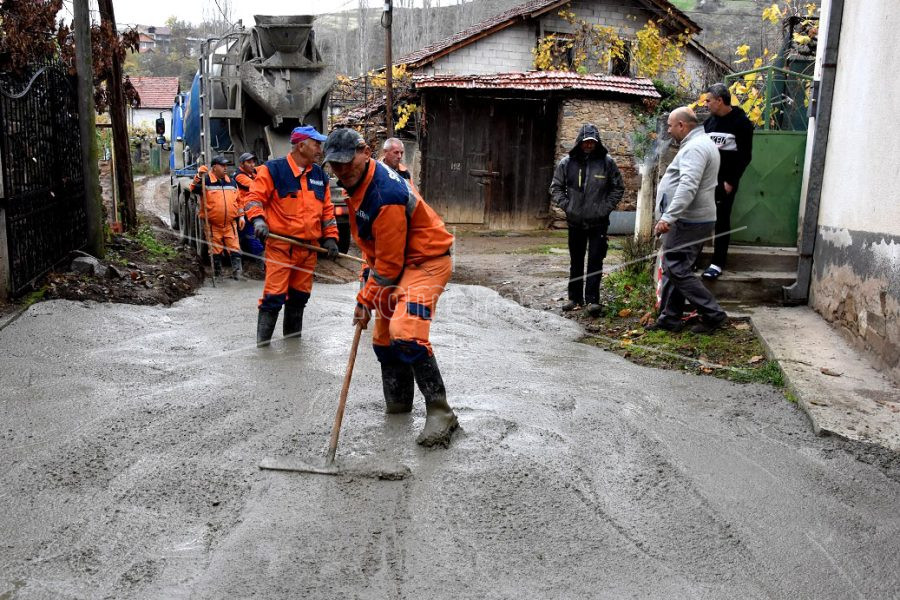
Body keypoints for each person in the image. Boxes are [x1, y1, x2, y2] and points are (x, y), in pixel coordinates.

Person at [323, 128, 458, 448]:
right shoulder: (357, 184)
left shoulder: (385, 194)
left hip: (425, 262)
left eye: (346, 163)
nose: (341, 170)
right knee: (384, 339)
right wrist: (365, 284)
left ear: (365, 152)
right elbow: (375, 250)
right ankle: (399, 405)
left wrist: (365, 299)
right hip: (394, 262)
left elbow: (389, 266)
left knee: (406, 331)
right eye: (335, 165)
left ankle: (441, 412)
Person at [243, 125, 340, 347]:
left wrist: (331, 238)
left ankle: (292, 348)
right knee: (274, 297)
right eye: (316, 143)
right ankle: (263, 348)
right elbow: (253, 198)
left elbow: (327, 211)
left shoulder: (319, 176)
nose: (319, 148)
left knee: (299, 298)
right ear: (301, 145)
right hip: (281, 247)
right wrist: (258, 220)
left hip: (308, 251)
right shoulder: (273, 170)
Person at [650, 107, 727, 334]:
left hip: (688, 220)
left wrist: (668, 217)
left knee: (676, 269)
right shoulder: (700, 144)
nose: (668, 129)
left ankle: (713, 314)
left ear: (682, 125)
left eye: (670, 126)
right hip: (693, 219)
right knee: (676, 268)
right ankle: (670, 318)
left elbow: (688, 185)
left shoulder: (695, 148)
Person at [549, 123, 625, 317]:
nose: (589, 145)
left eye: (592, 142)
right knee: (576, 260)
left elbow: (618, 188)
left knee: (595, 261)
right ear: (579, 143)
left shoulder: (607, 162)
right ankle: (574, 298)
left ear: (597, 142)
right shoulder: (567, 163)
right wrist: (568, 206)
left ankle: (593, 300)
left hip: (598, 221)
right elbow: (556, 187)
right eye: (586, 142)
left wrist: (605, 208)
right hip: (575, 221)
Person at [701, 82, 754, 280]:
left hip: (725, 182)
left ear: (720, 101)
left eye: (709, 100)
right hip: (706, 180)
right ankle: (694, 257)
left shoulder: (741, 123)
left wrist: (731, 181)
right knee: (700, 217)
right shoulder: (709, 123)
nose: (706, 104)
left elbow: (745, 156)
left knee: (722, 219)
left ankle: (717, 263)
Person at [190, 155, 245, 280]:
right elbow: (193, 188)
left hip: (230, 224)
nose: (225, 168)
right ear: (214, 167)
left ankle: (238, 273)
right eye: (222, 165)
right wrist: (198, 176)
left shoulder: (231, 182)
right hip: (213, 225)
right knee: (215, 251)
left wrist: (241, 217)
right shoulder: (206, 181)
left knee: (235, 248)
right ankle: (218, 274)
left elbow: (239, 201)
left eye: (226, 165)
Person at [233, 151, 265, 265]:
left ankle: (247, 257)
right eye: (249, 162)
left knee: (245, 236)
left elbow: (263, 168)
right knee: (251, 235)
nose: (252, 165)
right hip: (246, 212)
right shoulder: (240, 176)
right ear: (242, 164)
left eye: (253, 162)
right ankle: (261, 262)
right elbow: (255, 186)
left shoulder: (251, 173)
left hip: (252, 210)